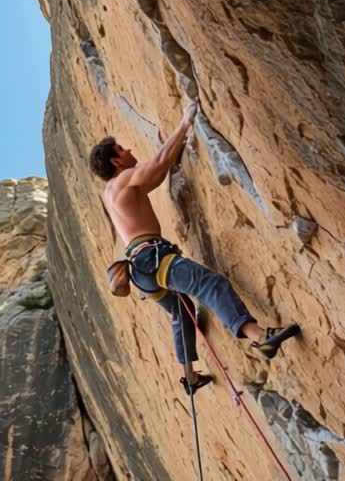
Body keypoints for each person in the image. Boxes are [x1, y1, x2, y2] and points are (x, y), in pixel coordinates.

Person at [91, 101, 301, 394]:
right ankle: (258, 336)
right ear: (116, 161)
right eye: (123, 150)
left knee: (181, 308)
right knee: (210, 285)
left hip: (141, 272)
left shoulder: (110, 193)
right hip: (155, 259)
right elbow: (158, 164)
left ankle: (189, 376)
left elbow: (156, 175)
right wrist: (185, 123)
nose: (130, 152)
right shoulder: (124, 178)